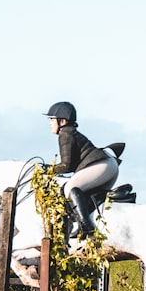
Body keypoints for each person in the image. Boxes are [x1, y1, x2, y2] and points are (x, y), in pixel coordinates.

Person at [44, 101, 119, 238]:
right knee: (82, 195)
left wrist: (49, 170)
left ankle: (86, 227)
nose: (49, 123)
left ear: (62, 121)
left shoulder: (65, 134)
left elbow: (67, 166)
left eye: (52, 119)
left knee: (69, 188)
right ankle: (89, 222)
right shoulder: (70, 132)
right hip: (107, 165)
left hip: (102, 165)